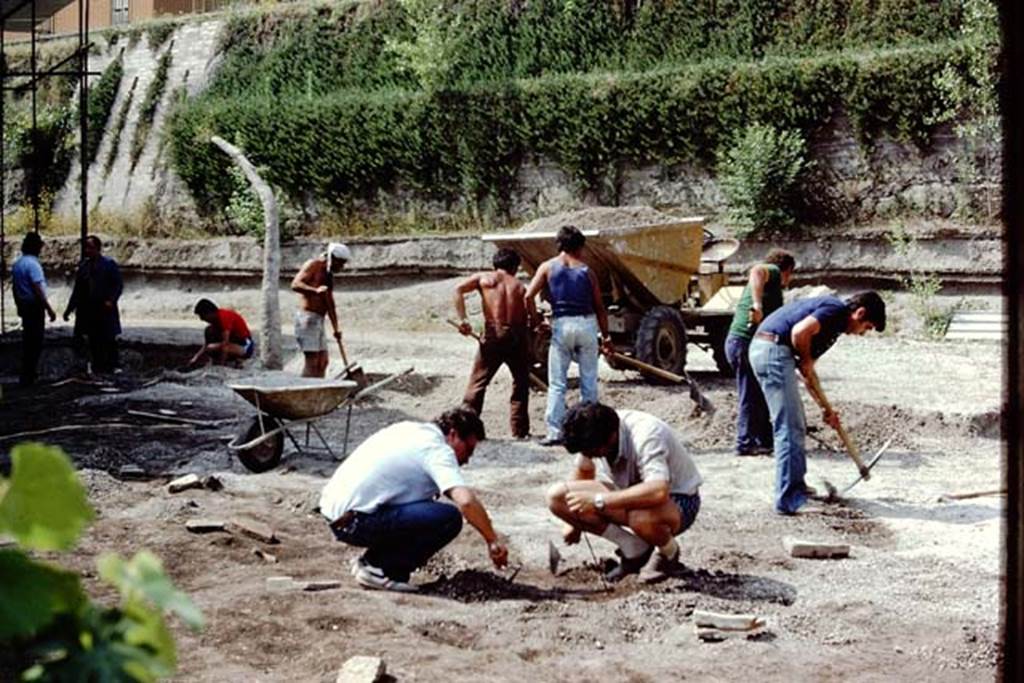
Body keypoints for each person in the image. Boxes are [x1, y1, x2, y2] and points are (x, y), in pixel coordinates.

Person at [319, 406, 509, 593]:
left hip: (335, 513)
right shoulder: (438, 450)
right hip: (355, 522)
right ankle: (381, 569)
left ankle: (372, 562)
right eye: (468, 449)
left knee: (426, 509)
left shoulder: (409, 429)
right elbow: (466, 501)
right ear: (452, 434)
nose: (467, 458)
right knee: (448, 518)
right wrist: (492, 540)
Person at [748, 291, 887, 515]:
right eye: (867, 327)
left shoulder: (832, 328)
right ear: (859, 313)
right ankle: (788, 498)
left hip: (772, 351)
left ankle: (797, 486)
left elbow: (809, 373)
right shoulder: (835, 310)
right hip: (772, 349)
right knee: (789, 427)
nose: (862, 334)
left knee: (796, 425)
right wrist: (804, 359)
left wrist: (826, 410)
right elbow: (799, 332)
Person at [546, 402, 703, 584]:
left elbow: (658, 490)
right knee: (558, 496)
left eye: (593, 451)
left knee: (641, 517)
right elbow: (584, 472)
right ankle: (635, 549)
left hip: (679, 500)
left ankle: (668, 553)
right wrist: (575, 522)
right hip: (631, 493)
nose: (591, 455)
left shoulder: (646, 434)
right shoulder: (592, 427)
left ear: (611, 437)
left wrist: (597, 500)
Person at [524, 225, 613, 446]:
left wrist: (538, 323)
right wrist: (607, 336)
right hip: (586, 324)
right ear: (580, 247)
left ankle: (555, 432)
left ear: (560, 245)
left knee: (557, 384)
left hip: (561, 325)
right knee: (589, 381)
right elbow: (600, 306)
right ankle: (590, 431)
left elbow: (528, 297)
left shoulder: (547, 267)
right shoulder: (587, 271)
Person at [454, 248, 532, 439]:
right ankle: (520, 431)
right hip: (518, 335)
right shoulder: (520, 286)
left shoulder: (484, 278)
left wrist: (464, 319)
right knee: (521, 383)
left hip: (493, 333)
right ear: (515, 267)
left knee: (478, 382)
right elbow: (529, 313)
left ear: (495, 264)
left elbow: (458, 289)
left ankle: (466, 429)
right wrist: (538, 325)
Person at [725, 249, 796, 456]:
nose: (788, 280)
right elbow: (756, 271)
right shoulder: (771, 272)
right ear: (786, 270)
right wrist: (757, 305)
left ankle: (764, 440)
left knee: (761, 392)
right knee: (750, 394)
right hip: (743, 342)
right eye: (790, 274)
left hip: (746, 344)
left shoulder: (772, 291)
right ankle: (745, 443)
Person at [63, 235, 123, 373]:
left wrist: (111, 300)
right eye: (86, 247)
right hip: (89, 311)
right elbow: (77, 290)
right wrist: (69, 309)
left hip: (105, 309)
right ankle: (98, 366)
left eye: (90, 247)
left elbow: (118, 285)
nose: (87, 250)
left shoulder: (109, 265)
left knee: (108, 338)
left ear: (98, 248)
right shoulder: (84, 267)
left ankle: (113, 366)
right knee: (93, 339)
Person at [291, 242, 350, 377]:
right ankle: (305, 392)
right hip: (306, 319)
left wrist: (336, 328)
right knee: (312, 362)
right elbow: (295, 284)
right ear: (332, 258)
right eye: (340, 263)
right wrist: (315, 290)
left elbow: (330, 302)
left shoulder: (328, 275)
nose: (341, 267)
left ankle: (319, 390)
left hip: (319, 320)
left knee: (323, 361)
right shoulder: (313, 265)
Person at [11, 232, 57, 386]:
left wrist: (18, 305)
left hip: (24, 305)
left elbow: (15, 288)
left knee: (28, 341)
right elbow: (37, 288)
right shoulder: (33, 265)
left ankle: (27, 374)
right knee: (35, 342)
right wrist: (49, 309)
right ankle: (30, 376)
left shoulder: (18, 264)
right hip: (34, 306)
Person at [187, 299, 255, 367]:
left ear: (210, 313)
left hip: (245, 346)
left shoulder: (224, 318)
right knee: (209, 336)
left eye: (202, 316)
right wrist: (195, 358)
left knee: (213, 348)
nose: (201, 319)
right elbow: (206, 345)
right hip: (234, 343)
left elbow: (225, 344)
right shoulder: (214, 324)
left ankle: (238, 359)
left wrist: (221, 367)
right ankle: (231, 360)